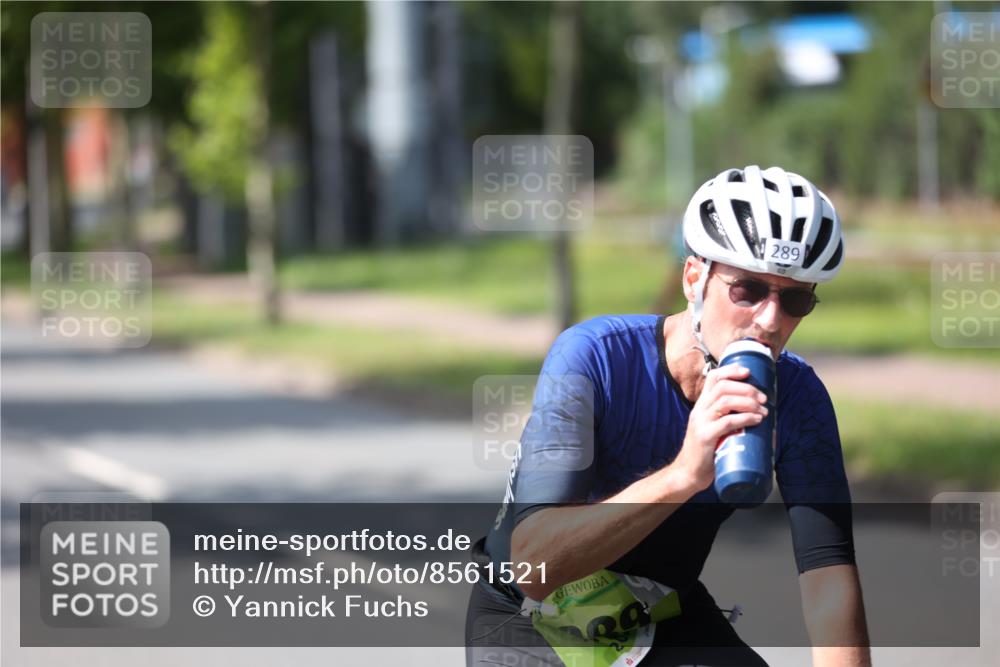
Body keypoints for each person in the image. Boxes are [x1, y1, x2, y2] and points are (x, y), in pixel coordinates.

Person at [465, 165, 871, 667]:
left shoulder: (798, 396)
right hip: (532, 615)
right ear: (694, 277)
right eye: (747, 289)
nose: (770, 319)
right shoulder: (594, 358)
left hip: (656, 614)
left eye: (794, 298)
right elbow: (533, 566)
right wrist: (683, 474)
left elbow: (828, 579)